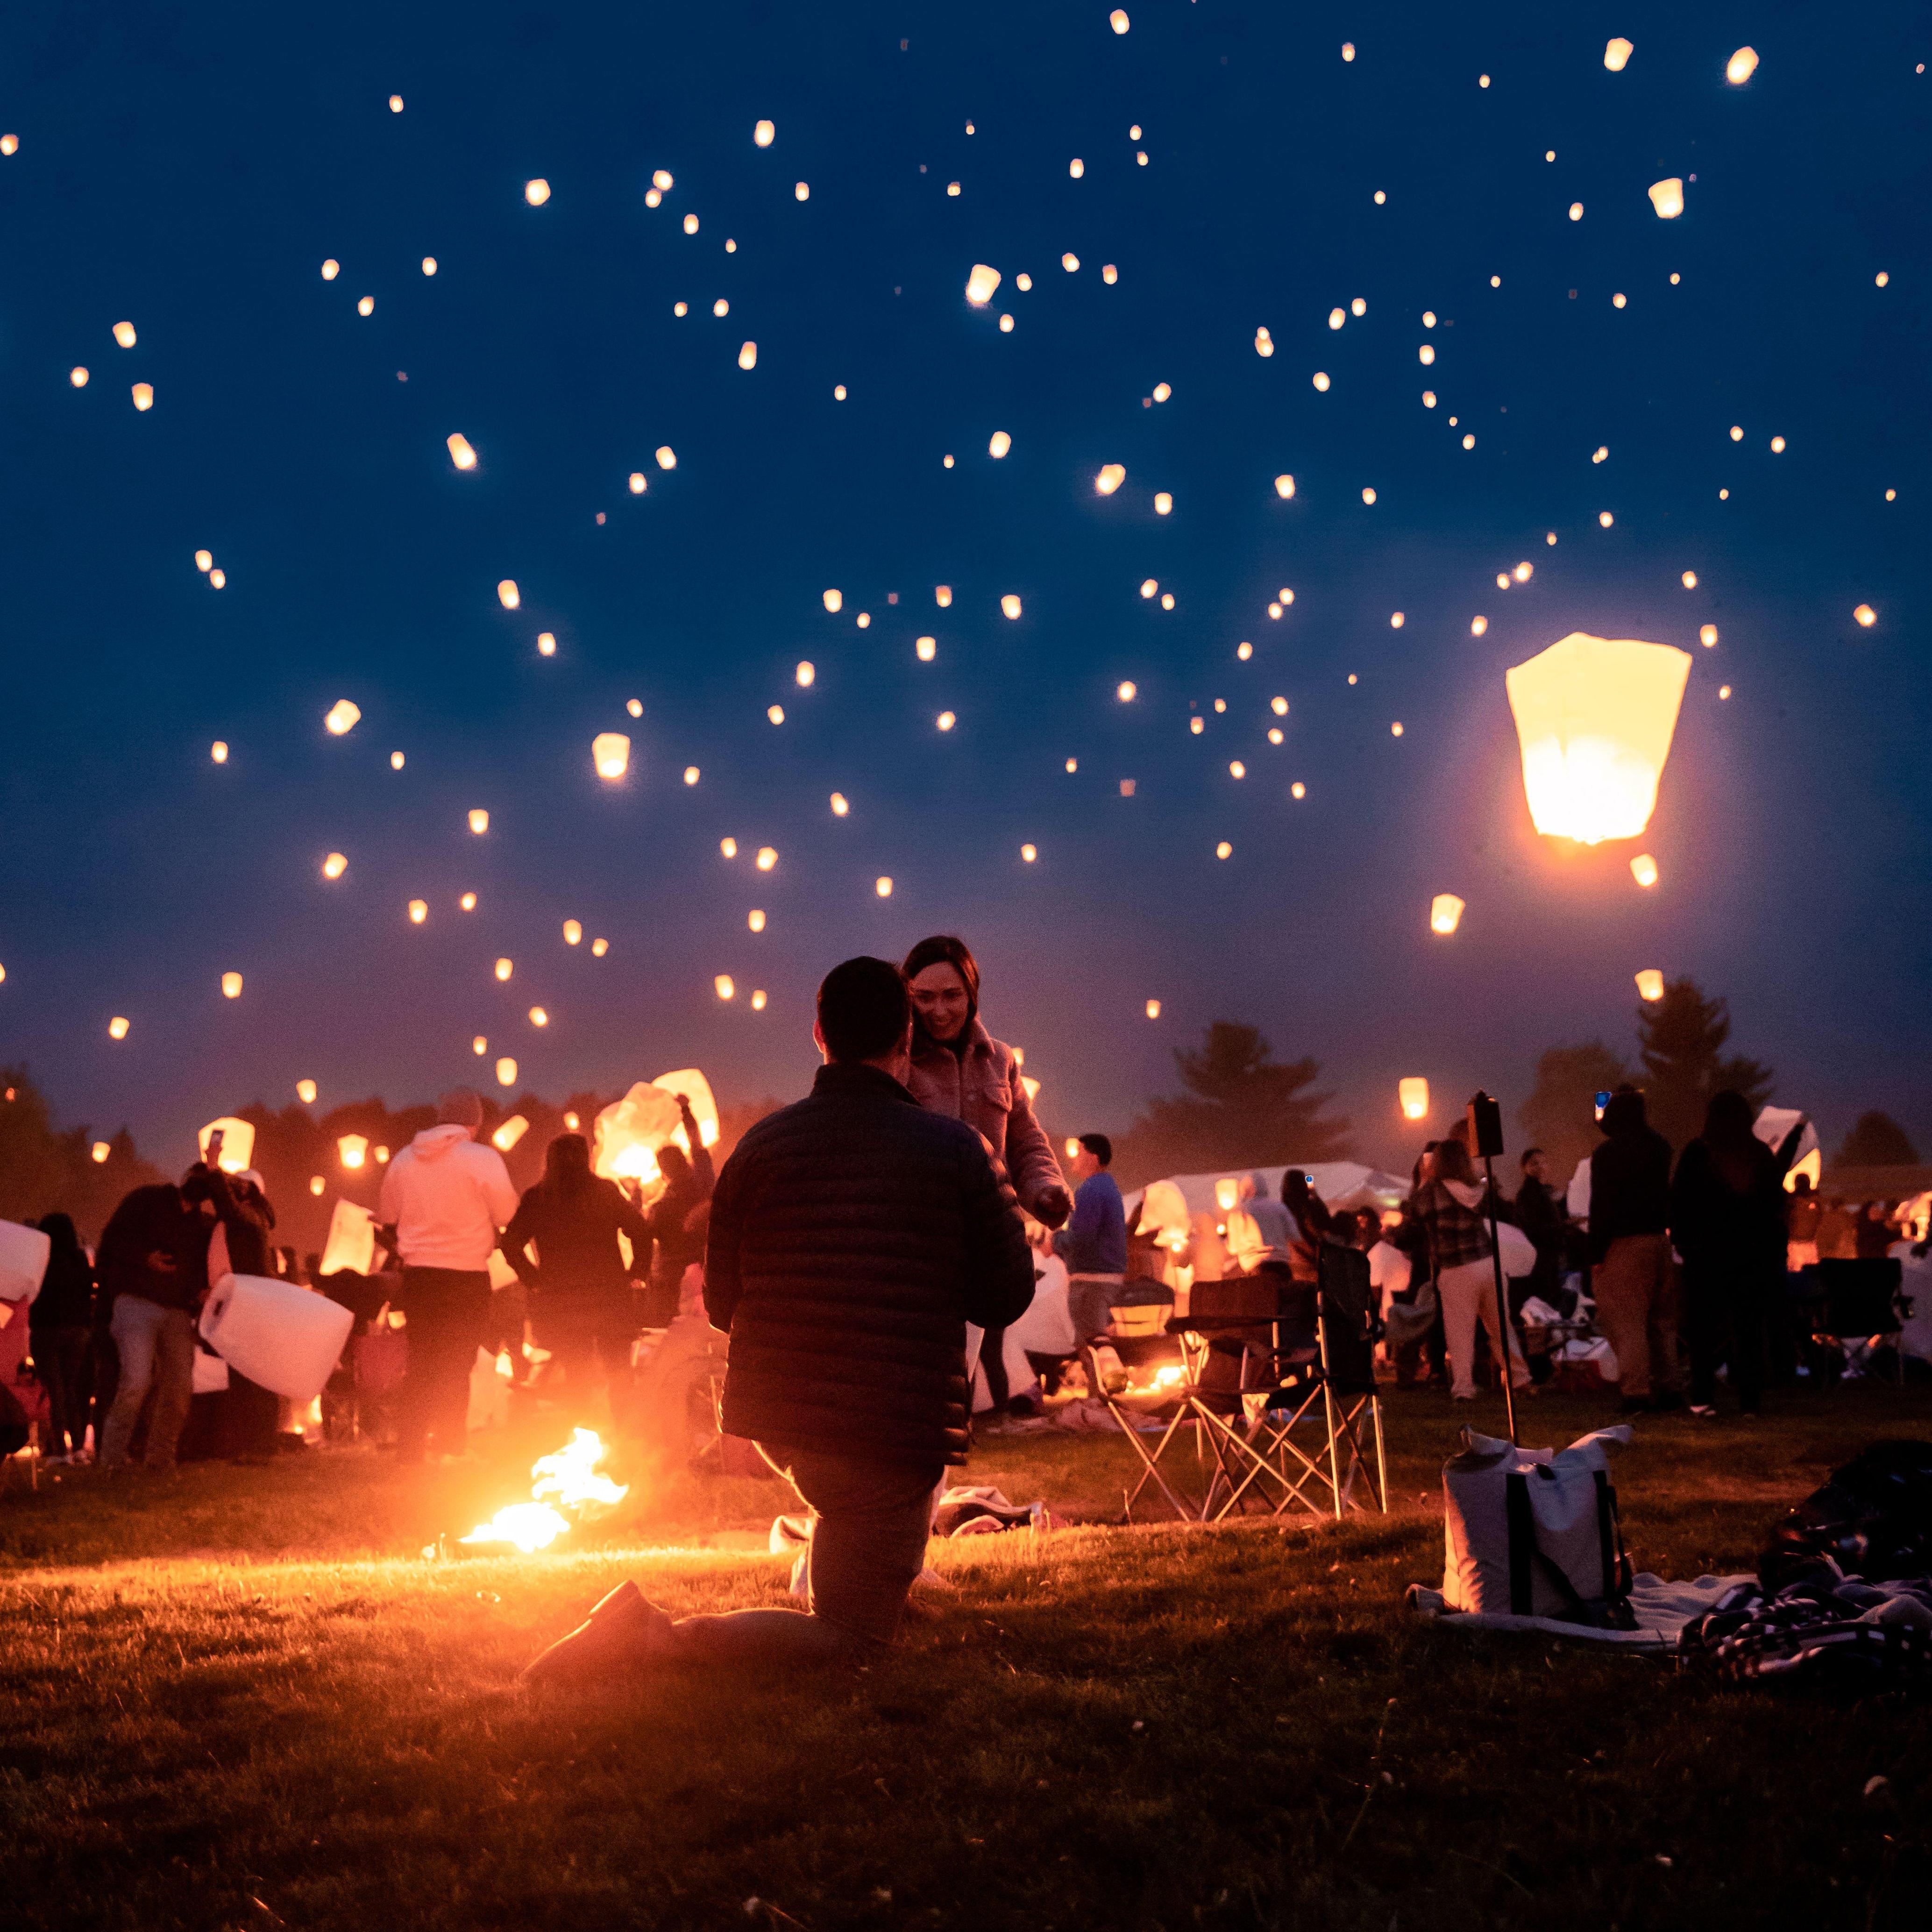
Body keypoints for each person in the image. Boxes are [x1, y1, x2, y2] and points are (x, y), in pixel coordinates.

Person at [520, 954, 1035, 1681]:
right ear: (908, 1043)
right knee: (854, 1645)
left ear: (819, 1035)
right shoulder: (956, 1151)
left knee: (854, 1529)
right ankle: (652, 1636)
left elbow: (723, 1304)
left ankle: (876, 1586)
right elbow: (1009, 1293)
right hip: (891, 1420)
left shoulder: (760, 1147)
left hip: (783, 1418)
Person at [903, 936, 1071, 1409]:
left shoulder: (998, 1058)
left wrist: (1045, 1191)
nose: (939, 1010)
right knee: (921, 1381)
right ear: (908, 997)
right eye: (925, 997)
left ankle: (942, 1470)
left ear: (972, 993)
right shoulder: (897, 1057)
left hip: (982, 1240)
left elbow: (1024, 1138)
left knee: (961, 1375)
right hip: (919, 1244)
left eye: (951, 995)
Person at [379, 1087, 519, 1463]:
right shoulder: (482, 1159)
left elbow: (388, 1216)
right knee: (458, 1364)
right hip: (467, 1275)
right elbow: (508, 1215)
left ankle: (409, 1450)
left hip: (420, 1276)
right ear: (474, 1124)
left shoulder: (404, 1161)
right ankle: (450, 1446)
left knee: (422, 1361)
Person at [502, 1133, 653, 1420]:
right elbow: (642, 1231)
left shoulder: (539, 1198)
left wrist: (533, 1280)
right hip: (609, 1296)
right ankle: (625, 1434)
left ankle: (582, 1433)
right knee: (619, 1369)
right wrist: (637, 1274)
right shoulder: (604, 1192)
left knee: (576, 1372)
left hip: (562, 1300)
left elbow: (510, 1244)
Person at [1669, 1091, 1787, 1418]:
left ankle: (1703, 1398)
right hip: (1751, 1257)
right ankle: (1750, 1399)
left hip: (1705, 1256)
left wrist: (1684, 1244)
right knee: (1748, 1329)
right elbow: (1776, 1208)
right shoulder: (1760, 1155)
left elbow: (1679, 1202)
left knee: (1702, 1331)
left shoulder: (1698, 1153)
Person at [96, 1166, 217, 1470]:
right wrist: (144, 1257)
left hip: (177, 1311)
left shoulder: (201, 1226)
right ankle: (111, 1459)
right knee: (136, 1380)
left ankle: (161, 1458)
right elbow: (111, 1240)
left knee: (179, 1387)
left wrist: (200, 1291)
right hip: (136, 1302)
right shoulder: (147, 1199)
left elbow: (200, 1267)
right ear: (185, 1176)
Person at [1408, 1137, 1530, 1403]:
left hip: (1456, 1270)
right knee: (1501, 1327)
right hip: (1488, 1263)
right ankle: (1520, 1379)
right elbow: (1503, 1210)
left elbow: (1413, 1217)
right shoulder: (1479, 1188)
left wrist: (1423, 1179)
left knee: (1460, 1332)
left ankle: (1464, 1388)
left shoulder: (1431, 1192)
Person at [1588, 1086, 1682, 1413]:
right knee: (1662, 1322)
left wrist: (1597, 1254)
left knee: (1628, 1323)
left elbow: (1602, 1206)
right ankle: (1670, 1387)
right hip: (1658, 1240)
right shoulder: (1660, 1147)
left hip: (1624, 1245)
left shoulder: (1608, 1155)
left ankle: (1637, 1392)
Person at [638, 1094, 715, 1327]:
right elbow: (697, 1144)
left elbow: (643, 1235)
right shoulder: (703, 1182)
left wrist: (633, 1195)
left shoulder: (661, 1207)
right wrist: (685, 1110)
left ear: (663, 1171)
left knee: (668, 1334)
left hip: (669, 1281)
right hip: (708, 1271)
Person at [29, 1213, 95, 1461]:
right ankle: (78, 1447)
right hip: (78, 1331)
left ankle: (58, 1449)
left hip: (47, 1330)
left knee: (52, 1390)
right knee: (71, 1388)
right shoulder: (78, 1259)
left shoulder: (41, 1259)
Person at [1052, 1134, 1127, 1344]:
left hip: (1092, 1284)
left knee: (1093, 1346)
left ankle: (1106, 1378)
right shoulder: (1107, 1188)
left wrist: (1055, 1242)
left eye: (1080, 1151)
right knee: (1098, 1343)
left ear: (1094, 1158)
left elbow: (1081, 1237)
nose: (1075, 1157)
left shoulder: (1092, 1189)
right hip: (1104, 1280)